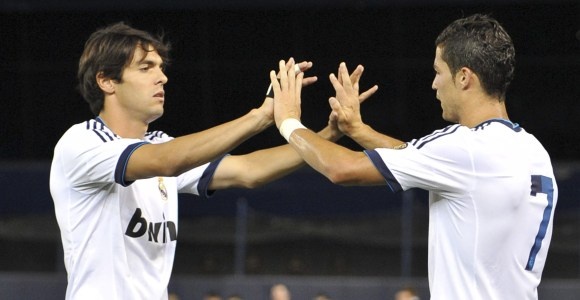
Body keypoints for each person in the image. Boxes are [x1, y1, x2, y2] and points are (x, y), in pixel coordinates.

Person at [49, 22, 376, 300]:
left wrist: (327, 135)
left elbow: (250, 171)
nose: (162, 77)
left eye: (161, 68)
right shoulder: (82, 144)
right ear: (107, 81)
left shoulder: (158, 144)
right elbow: (166, 161)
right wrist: (260, 116)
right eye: (146, 67)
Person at [269, 14, 558, 299]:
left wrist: (288, 120)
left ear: (464, 77)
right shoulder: (533, 151)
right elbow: (420, 160)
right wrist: (358, 129)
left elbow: (341, 168)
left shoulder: (465, 147)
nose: (434, 83)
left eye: (438, 71)